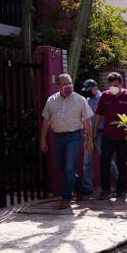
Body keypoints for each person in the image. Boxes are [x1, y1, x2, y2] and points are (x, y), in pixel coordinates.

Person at [40, 73, 93, 208]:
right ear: (58, 86)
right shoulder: (51, 100)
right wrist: (42, 140)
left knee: (69, 166)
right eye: (64, 84)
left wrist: (89, 140)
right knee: (62, 167)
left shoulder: (80, 99)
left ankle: (66, 197)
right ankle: (79, 187)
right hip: (58, 137)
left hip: (74, 136)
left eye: (69, 83)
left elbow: (88, 121)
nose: (68, 86)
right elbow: (46, 121)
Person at [94, 72, 127, 200]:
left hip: (124, 137)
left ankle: (122, 189)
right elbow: (98, 114)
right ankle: (105, 190)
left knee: (122, 164)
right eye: (111, 85)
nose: (113, 88)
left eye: (115, 85)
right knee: (104, 162)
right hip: (107, 136)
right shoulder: (105, 96)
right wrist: (94, 130)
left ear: (121, 84)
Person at [81, 79, 118, 197]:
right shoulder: (87, 99)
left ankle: (119, 182)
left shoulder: (104, 97)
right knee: (87, 162)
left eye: (88, 90)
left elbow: (104, 114)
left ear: (94, 88)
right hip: (89, 135)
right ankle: (87, 188)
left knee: (107, 160)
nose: (87, 93)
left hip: (101, 134)